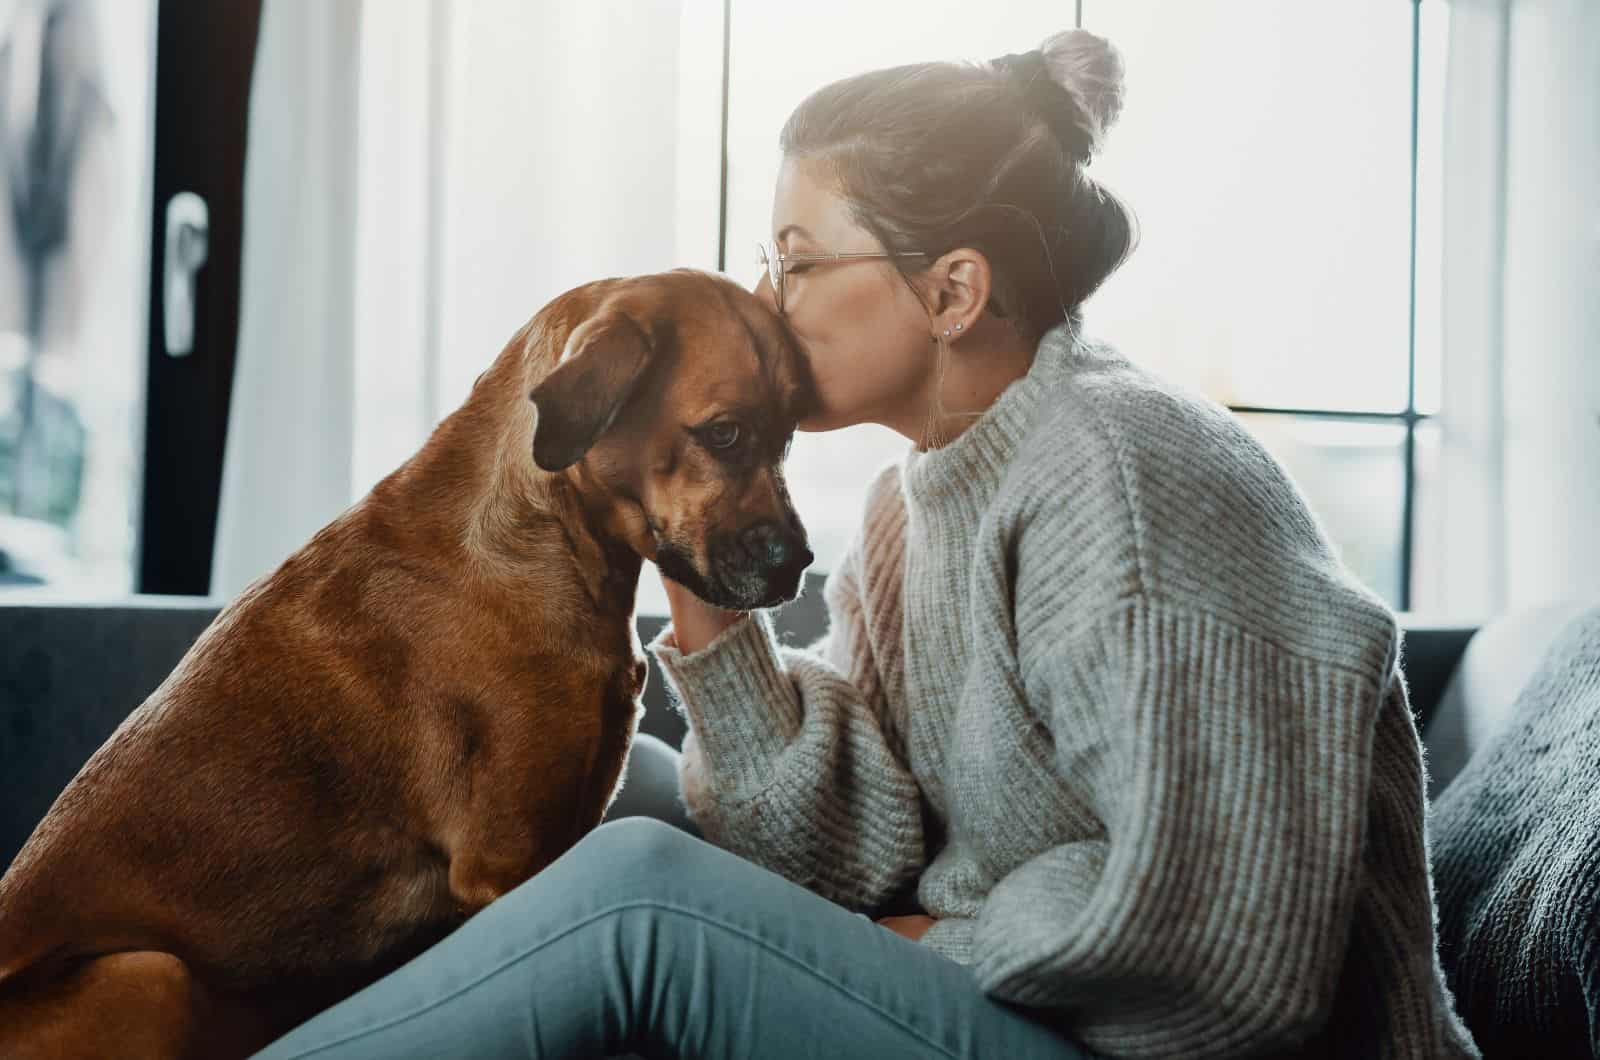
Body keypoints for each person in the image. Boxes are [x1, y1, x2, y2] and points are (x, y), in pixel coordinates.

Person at [256, 28, 1480, 1060]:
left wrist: (933, 941)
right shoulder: (919, 501)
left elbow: (1222, 945)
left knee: (638, 899)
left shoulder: (1126, 472)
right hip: (1038, 1011)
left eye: (796, 264)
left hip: (1167, 1043)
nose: (762, 306)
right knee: (598, 787)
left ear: (951, 292)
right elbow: (848, 848)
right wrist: (700, 546)